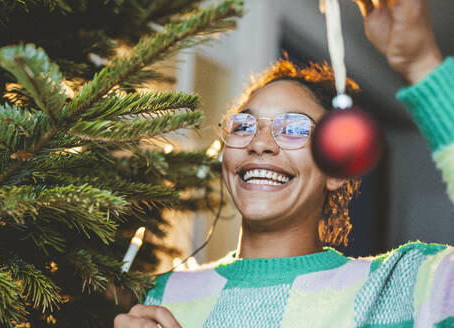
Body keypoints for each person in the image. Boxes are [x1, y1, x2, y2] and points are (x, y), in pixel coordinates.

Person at [115, 0, 454, 327]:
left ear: (335, 167)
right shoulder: (158, 298)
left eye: (293, 129)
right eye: (244, 126)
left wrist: (421, 62)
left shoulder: (403, 285)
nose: (260, 143)